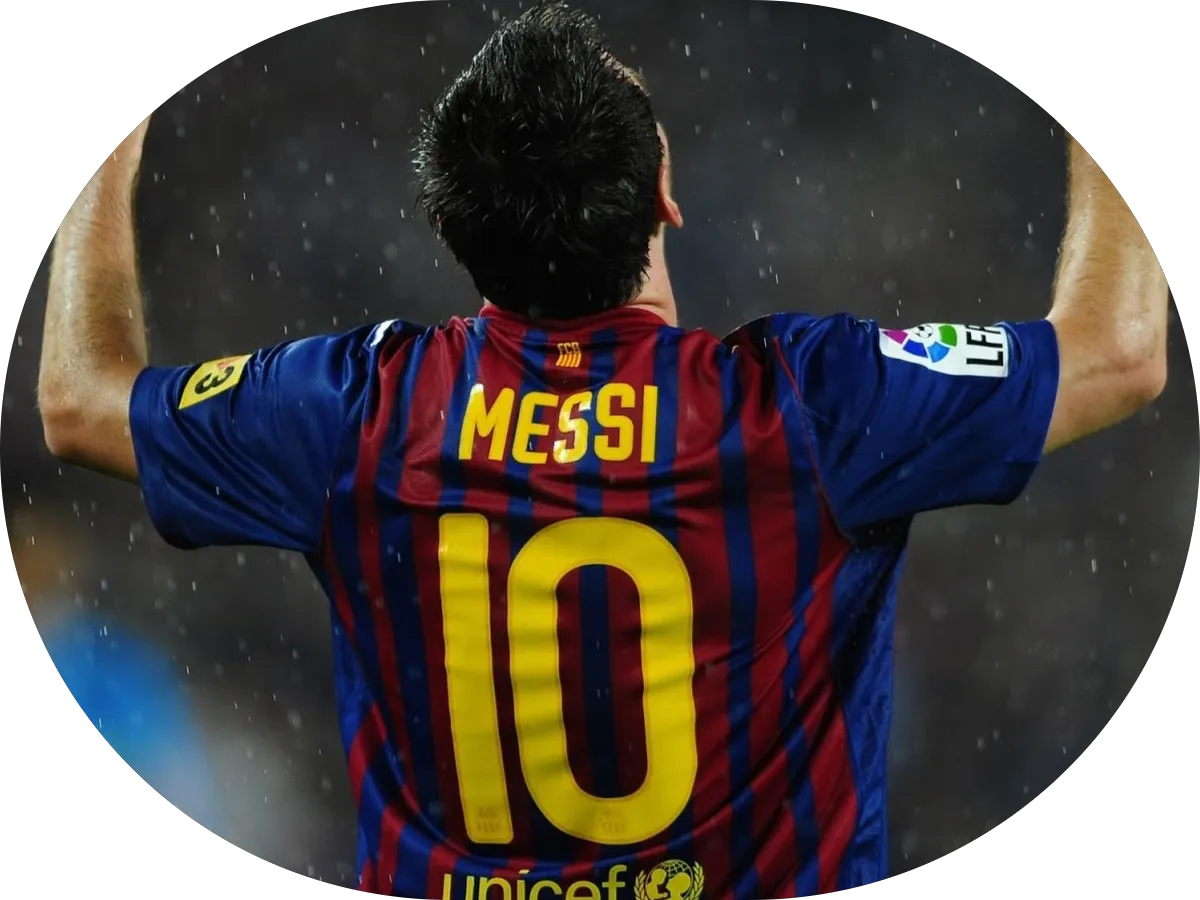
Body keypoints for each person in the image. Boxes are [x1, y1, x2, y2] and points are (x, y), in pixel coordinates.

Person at [36, 3, 1168, 897]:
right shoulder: (806, 405)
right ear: (666, 195)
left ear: (454, 230)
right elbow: (1117, 352)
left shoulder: (356, 414)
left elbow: (82, 407)